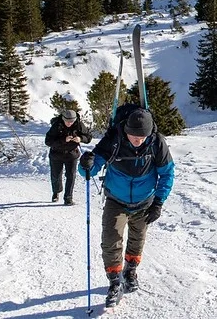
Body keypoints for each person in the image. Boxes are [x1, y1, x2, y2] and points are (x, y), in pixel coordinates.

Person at [78, 107, 174, 307]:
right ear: (126, 130)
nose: (137, 140)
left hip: (144, 202)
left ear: (149, 134)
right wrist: (85, 164)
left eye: (141, 137)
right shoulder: (114, 140)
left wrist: (158, 202)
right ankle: (114, 282)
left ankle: (130, 271)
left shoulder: (157, 143)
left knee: (137, 239)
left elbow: (167, 173)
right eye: (132, 135)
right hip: (116, 201)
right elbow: (91, 169)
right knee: (111, 240)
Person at [45, 109, 92, 206]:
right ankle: (56, 192)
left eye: (72, 121)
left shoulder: (79, 125)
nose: (69, 123)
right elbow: (48, 141)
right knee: (56, 175)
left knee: (71, 175)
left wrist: (80, 138)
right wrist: (63, 140)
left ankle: (68, 198)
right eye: (67, 121)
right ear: (63, 119)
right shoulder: (56, 125)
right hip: (56, 154)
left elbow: (88, 137)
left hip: (72, 154)